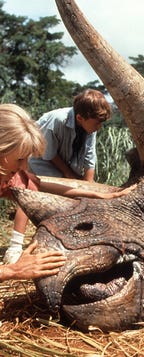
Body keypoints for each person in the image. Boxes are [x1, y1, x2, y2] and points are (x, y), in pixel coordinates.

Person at [0, 103, 134, 272]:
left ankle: (15, 247)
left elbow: (51, 187)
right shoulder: (57, 121)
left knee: (29, 184)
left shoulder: (14, 174)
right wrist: (12, 271)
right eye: (20, 159)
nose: (25, 167)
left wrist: (100, 195)